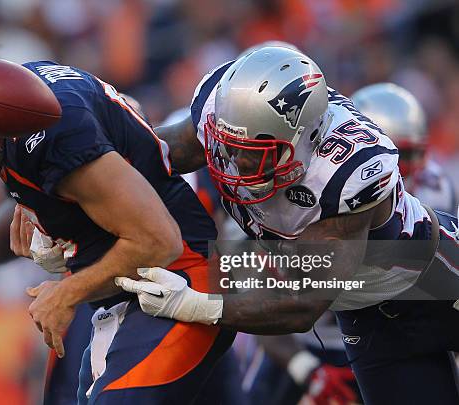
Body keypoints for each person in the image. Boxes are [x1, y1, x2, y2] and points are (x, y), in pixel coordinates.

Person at [0, 40, 234, 404]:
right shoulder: (15, 107)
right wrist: (53, 221)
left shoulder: (48, 132)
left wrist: (67, 293)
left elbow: (159, 240)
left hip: (178, 282)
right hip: (139, 293)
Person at [116, 46, 459, 404]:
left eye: (258, 150)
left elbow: (302, 302)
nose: (239, 161)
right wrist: (70, 199)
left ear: (305, 140)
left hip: (439, 284)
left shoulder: (344, 174)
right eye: (231, 146)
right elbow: (157, 152)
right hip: (373, 320)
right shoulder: (222, 114)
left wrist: (194, 304)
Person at [352, 82, 456, 213]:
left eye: (410, 153)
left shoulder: (435, 187)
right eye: (399, 154)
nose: (414, 162)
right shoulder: (332, 180)